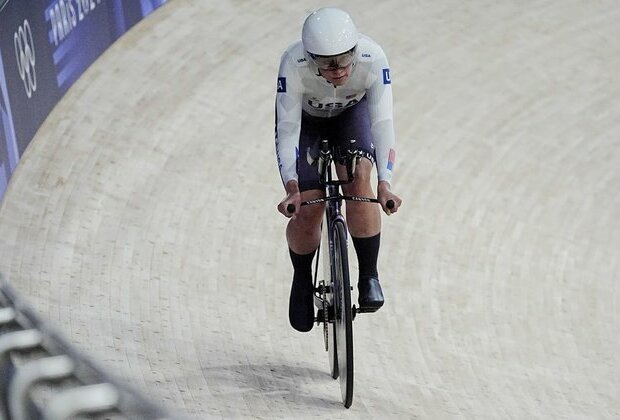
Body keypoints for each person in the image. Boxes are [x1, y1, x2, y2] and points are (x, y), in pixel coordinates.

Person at [275, 7, 402, 332]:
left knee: (360, 181)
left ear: (356, 51)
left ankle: (369, 274)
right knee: (307, 207)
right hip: (308, 125)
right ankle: (302, 277)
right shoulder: (294, 63)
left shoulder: (374, 58)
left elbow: (383, 122)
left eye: (344, 60)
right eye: (327, 63)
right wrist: (292, 186)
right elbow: (287, 127)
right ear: (310, 57)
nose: (337, 70)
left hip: (352, 117)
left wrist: (385, 182)